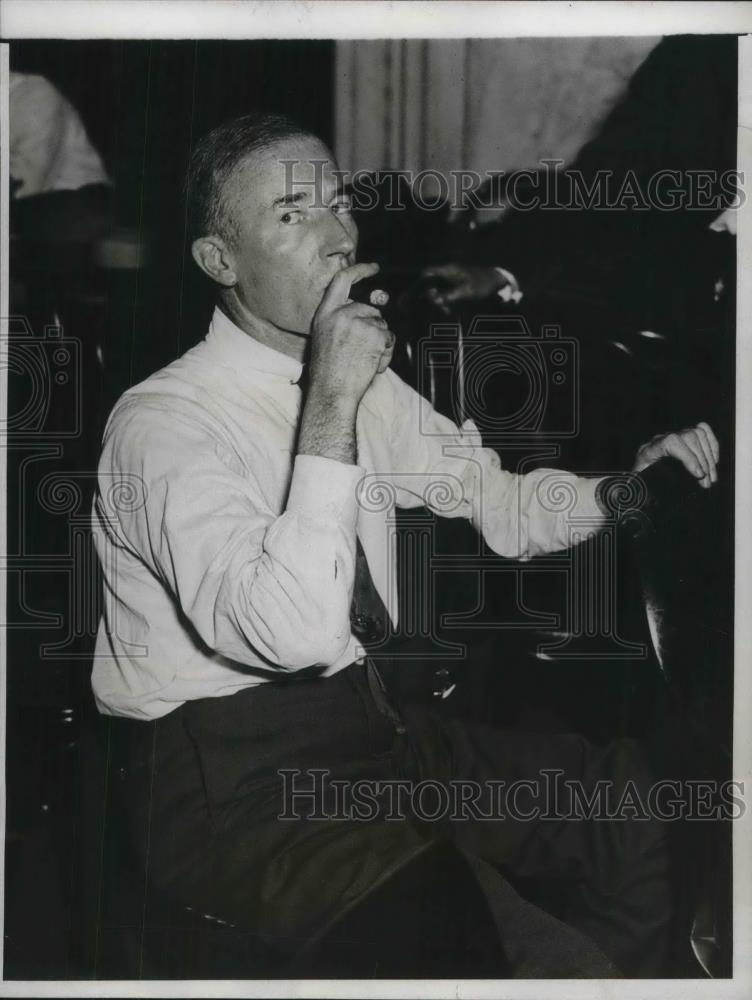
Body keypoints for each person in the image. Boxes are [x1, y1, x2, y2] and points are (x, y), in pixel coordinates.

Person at [91, 112, 720, 978]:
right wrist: (334, 397)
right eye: (291, 215)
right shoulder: (162, 423)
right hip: (232, 787)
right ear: (219, 262)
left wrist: (627, 487)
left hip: (371, 727)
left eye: (338, 203)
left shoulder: (365, 383)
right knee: (511, 951)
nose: (336, 234)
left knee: (628, 807)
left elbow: (500, 507)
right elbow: (297, 632)